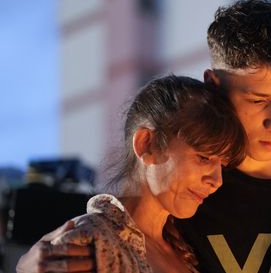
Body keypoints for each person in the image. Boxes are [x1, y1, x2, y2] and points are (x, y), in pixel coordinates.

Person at [17, 0, 271, 273]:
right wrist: (32, 262)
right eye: (258, 99)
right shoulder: (186, 188)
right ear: (213, 84)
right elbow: (114, 232)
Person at [16, 75, 247, 273]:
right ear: (146, 144)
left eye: (222, 164)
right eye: (204, 157)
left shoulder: (186, 249)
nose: (216, 181)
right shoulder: (91, 241)